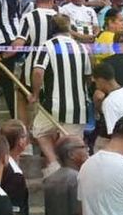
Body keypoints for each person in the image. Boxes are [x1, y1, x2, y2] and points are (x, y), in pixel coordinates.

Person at [30, 16, 94, 172]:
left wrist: (35, 94)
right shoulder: (82, 48)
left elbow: (38, 72)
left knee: (39, 132)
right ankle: (75, 174)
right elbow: (88, 77)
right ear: (69, 28)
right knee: (74, 146)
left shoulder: (47, 46)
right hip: (78, 106)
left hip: (53, 105)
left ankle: (54, 164)